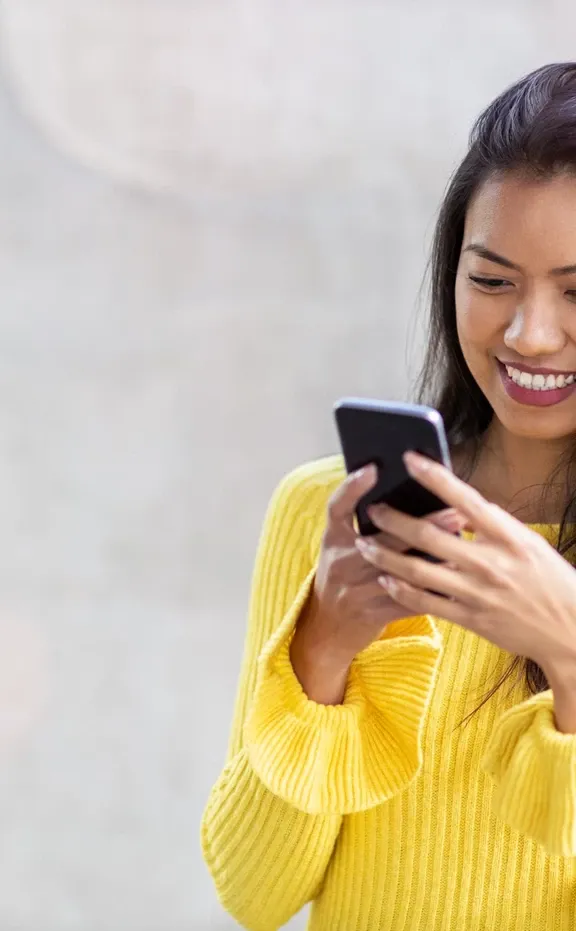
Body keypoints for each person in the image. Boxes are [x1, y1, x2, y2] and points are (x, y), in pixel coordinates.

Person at [201, 62, 576, 930]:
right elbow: (252, 893)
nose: (530, 333)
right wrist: (322, 649)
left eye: (575, 290)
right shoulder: (331, 510)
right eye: (490, 282)